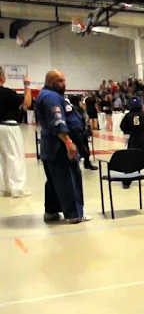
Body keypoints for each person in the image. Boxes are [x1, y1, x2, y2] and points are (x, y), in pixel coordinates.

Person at [36, 70, 91, 223]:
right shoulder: (50, 97)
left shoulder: (51, 95)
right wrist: (68, 142)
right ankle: (75, 214)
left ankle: (51, 211)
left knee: (54, 181)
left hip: (51, 147)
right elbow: (57, 121)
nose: (64, 83)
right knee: (69, 179)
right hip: (59, 146)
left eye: (64, 80)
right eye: (60, 81)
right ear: (50, 81)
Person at [0, 67, 32, 198]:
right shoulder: (8, 93)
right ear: (2, 77)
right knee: (14, 157)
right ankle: (17, 189)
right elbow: (27, 103)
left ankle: (5, 187)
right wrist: (27, 85)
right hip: (9, 126)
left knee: (2, 159)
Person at [119, 97, 144, 189]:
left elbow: (122, 126)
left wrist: (128, 131)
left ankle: (127, 181)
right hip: (142, 138)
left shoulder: (128, 115)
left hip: (133, 138)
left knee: (130, 158)